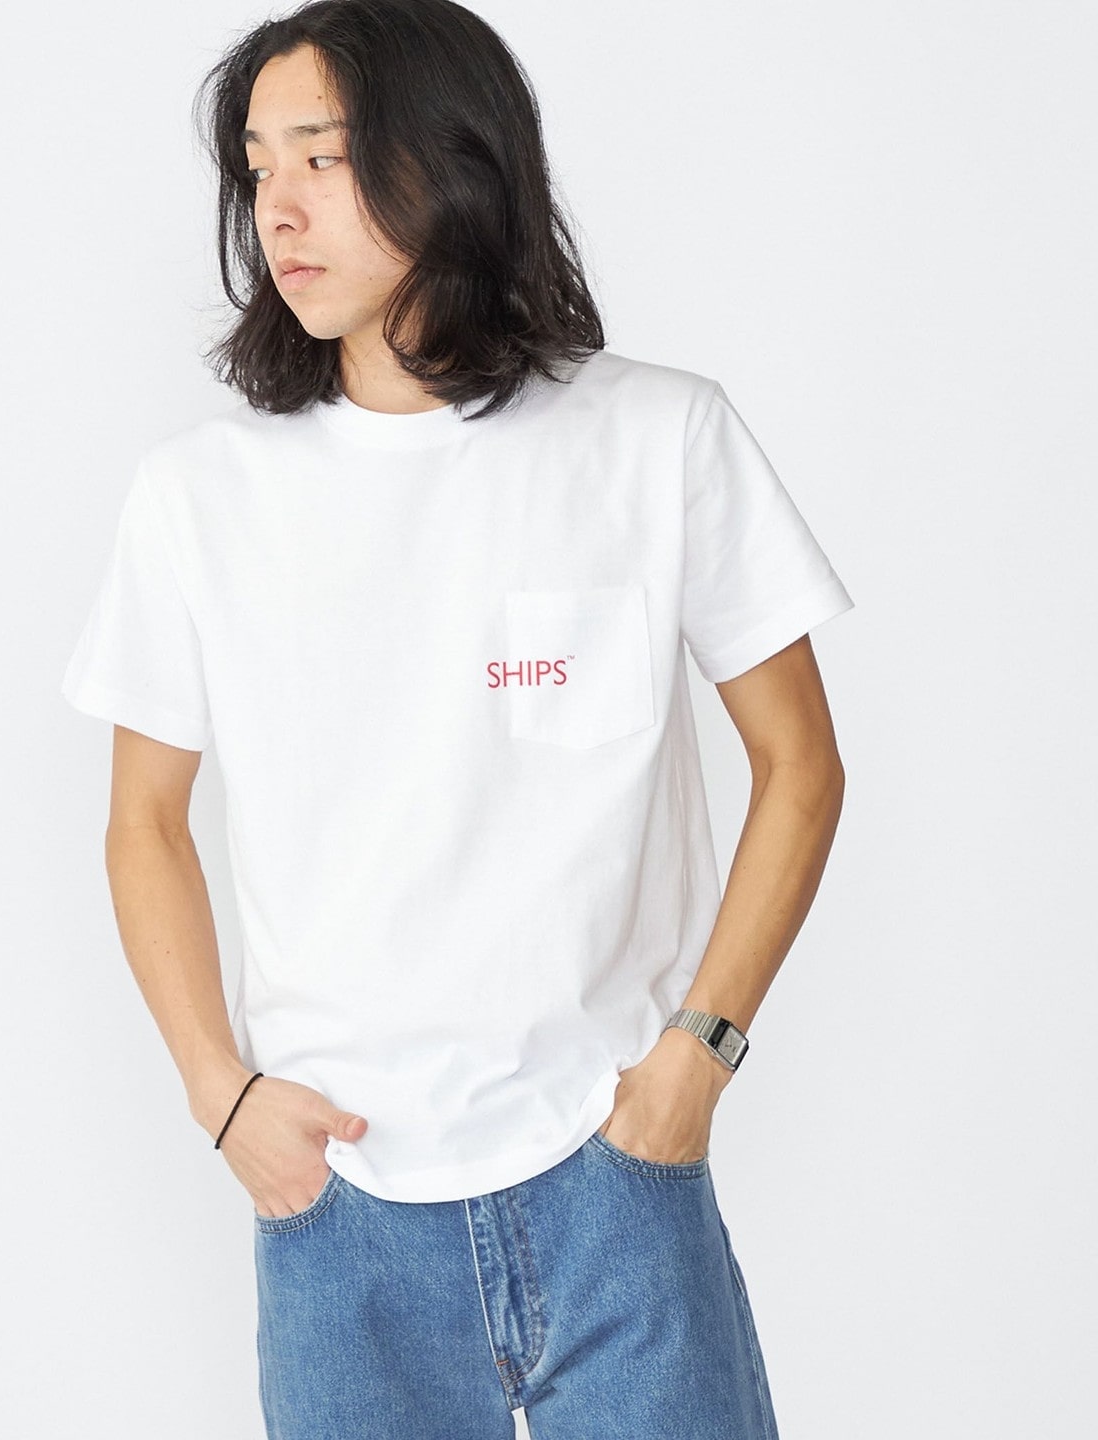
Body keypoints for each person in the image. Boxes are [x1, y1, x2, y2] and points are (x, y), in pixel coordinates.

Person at [60, 1, 854, 1435]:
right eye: (258, 166)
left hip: (617, 1176)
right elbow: (143, 823)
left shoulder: (659, 437)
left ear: (452, 157)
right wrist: (220, 1099)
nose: (277, 207)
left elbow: (800, 763)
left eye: (322, 156)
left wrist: (697, 1060)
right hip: (340, 1208)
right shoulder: (200, 498)